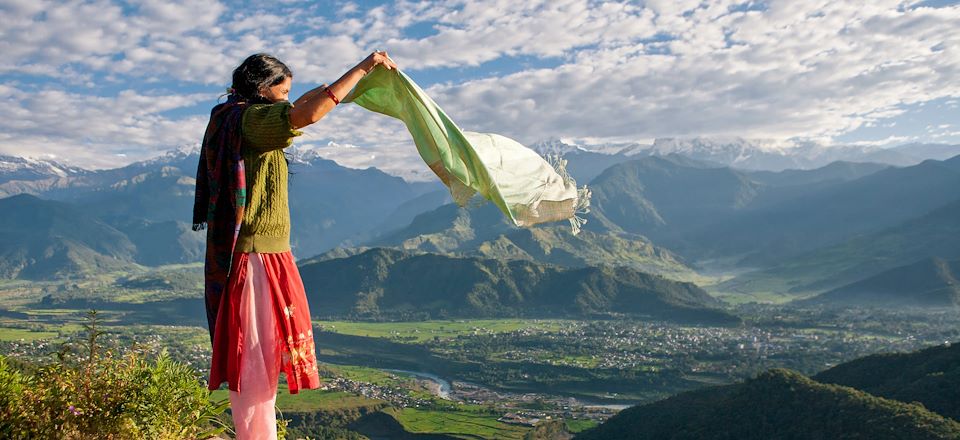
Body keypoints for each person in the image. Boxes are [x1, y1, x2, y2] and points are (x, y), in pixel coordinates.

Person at [193, 51, 397, 440]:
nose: (288, 99)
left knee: (260, 358)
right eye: (282, 91)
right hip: (256, 259)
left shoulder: (237, 118)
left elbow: (302, 105)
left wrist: (345, 83)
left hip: (265, 255)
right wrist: (363, 67)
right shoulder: (251, 121)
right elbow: (306, 114)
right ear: (261, 89)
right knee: (254, 361)